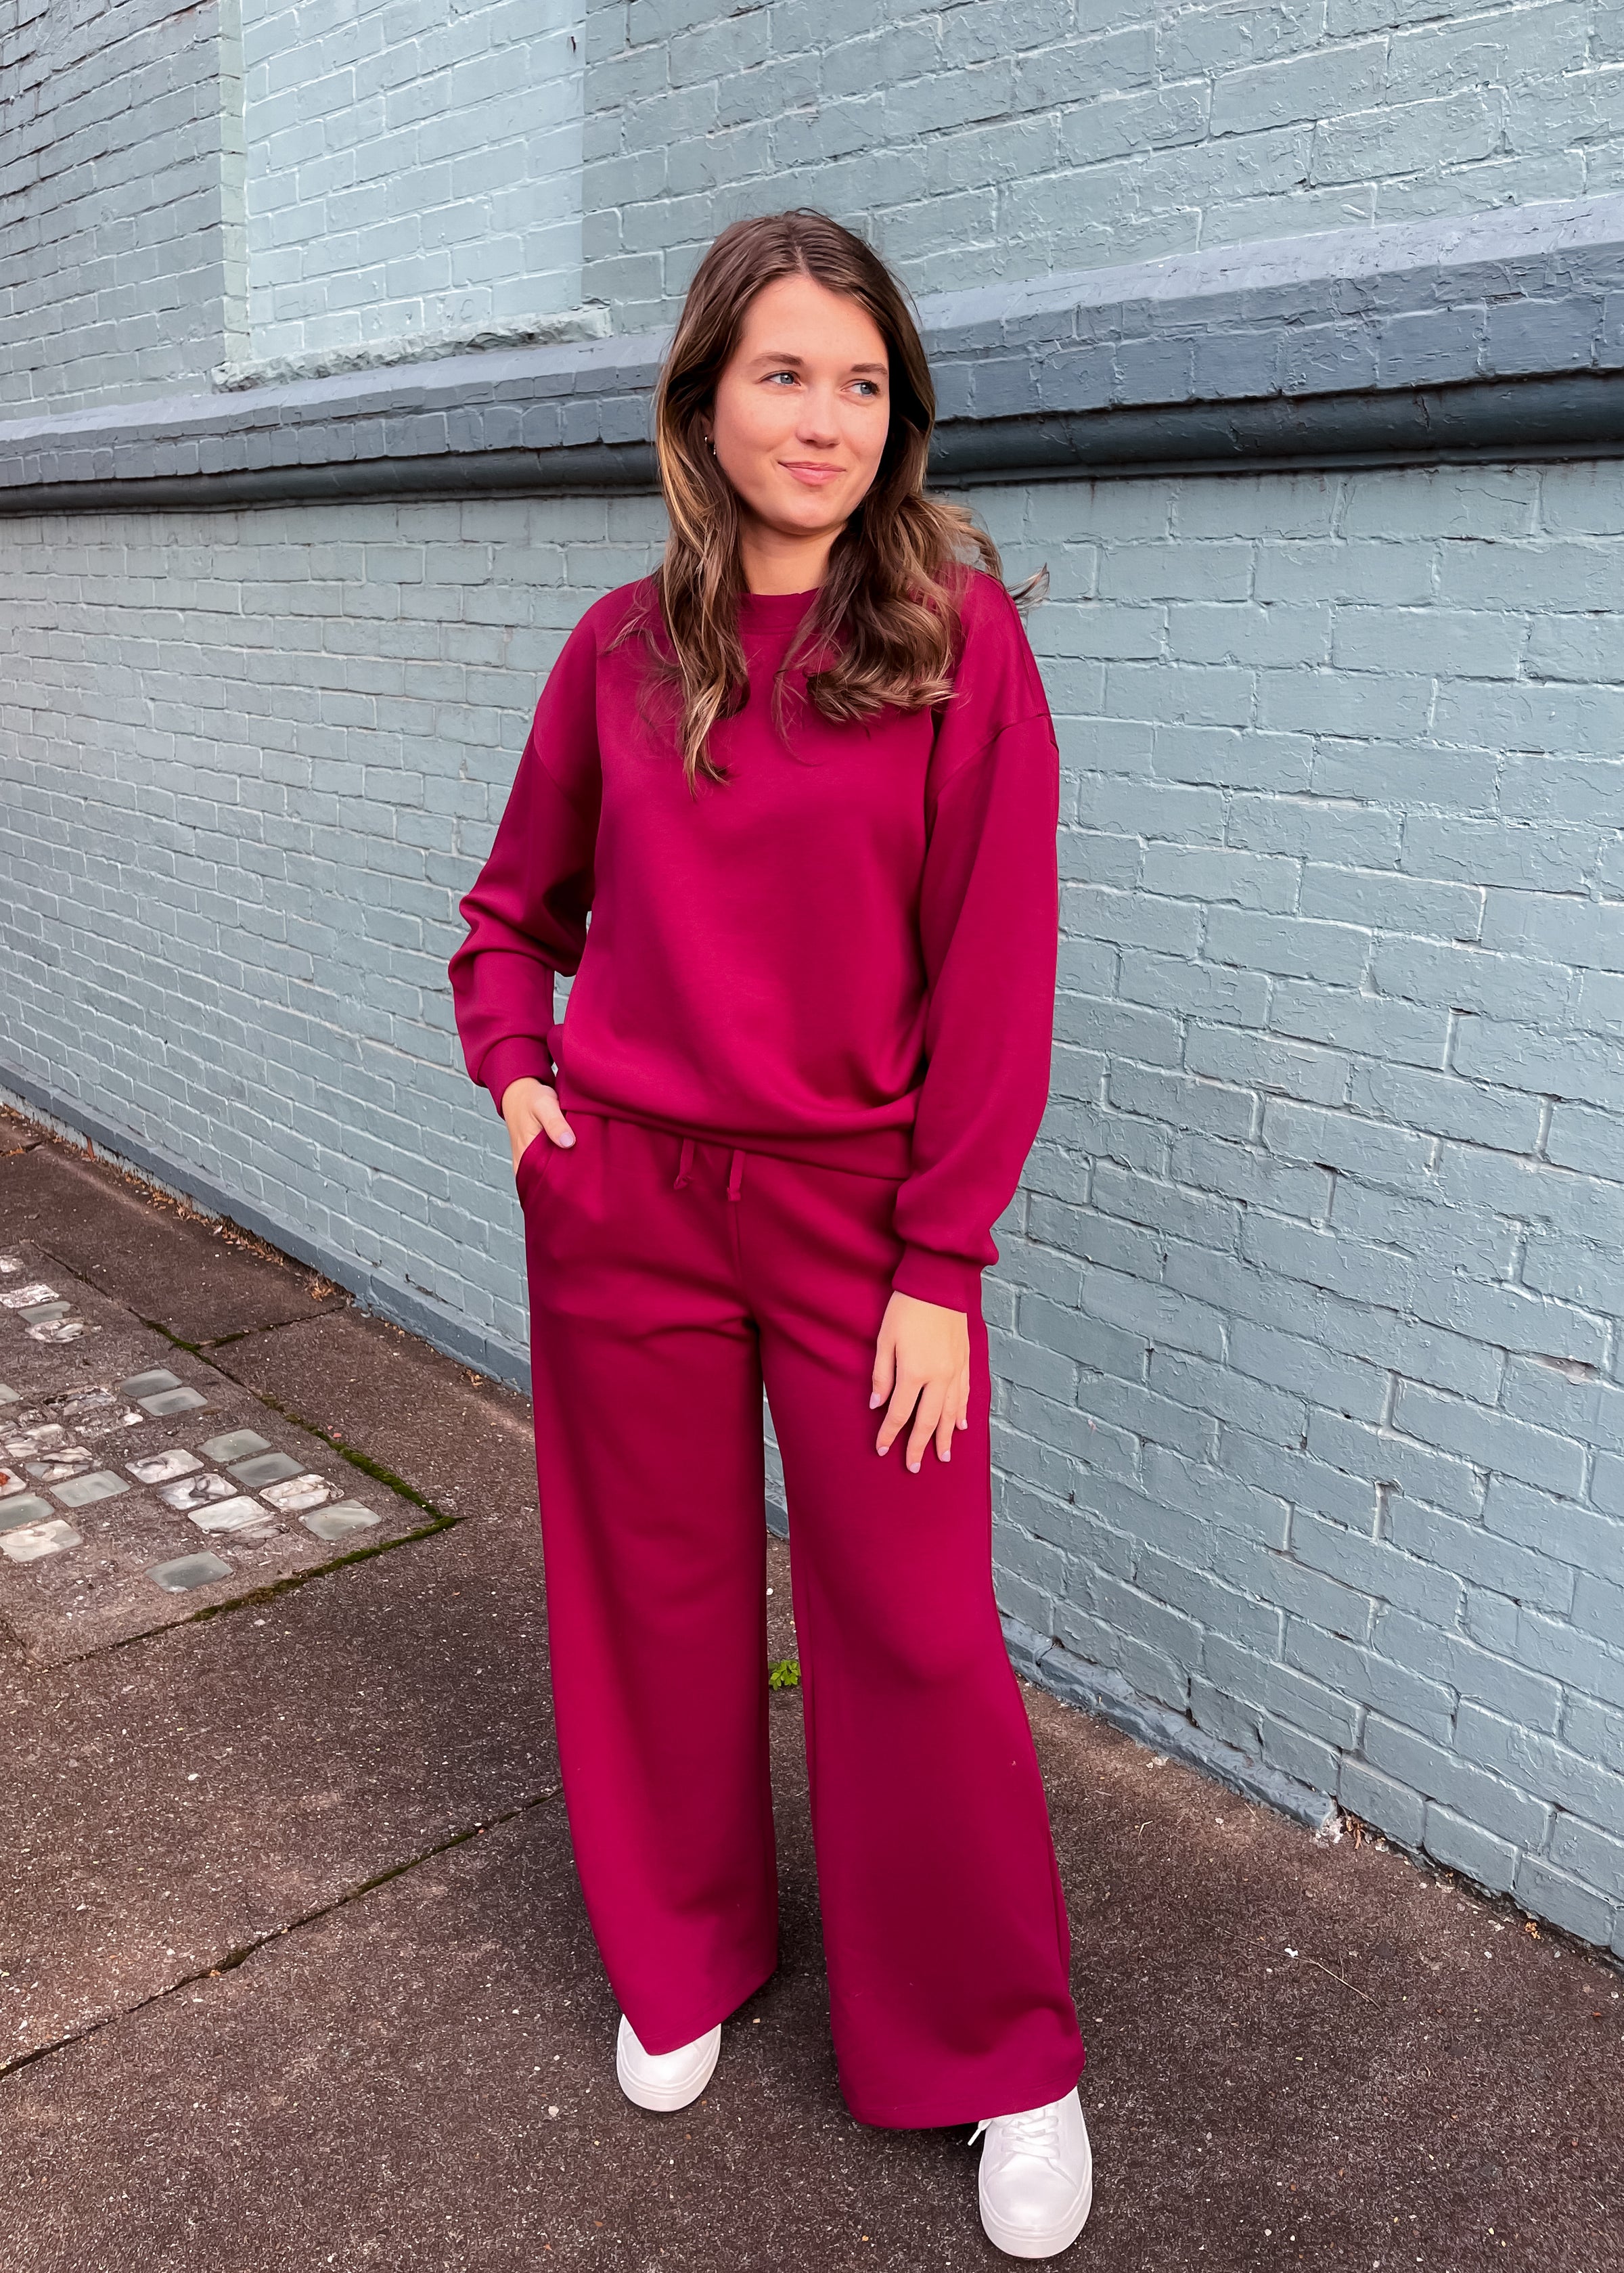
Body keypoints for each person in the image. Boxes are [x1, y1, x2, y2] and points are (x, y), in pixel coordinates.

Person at [449, 207, 1091, 2259]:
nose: (825, 418)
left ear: (901, 413)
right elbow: (509, 917)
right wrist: (527, 1090)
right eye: (785, 373)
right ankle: (685, 1953)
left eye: (863, 381)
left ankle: (999, 2051)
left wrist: (942, 1263)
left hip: (858, 1223)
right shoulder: (616, 653)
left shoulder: (957, 641)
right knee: (649, 1598)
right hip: (626, 1204)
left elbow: (995, 975)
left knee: (912, 1627)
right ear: (704, 400)